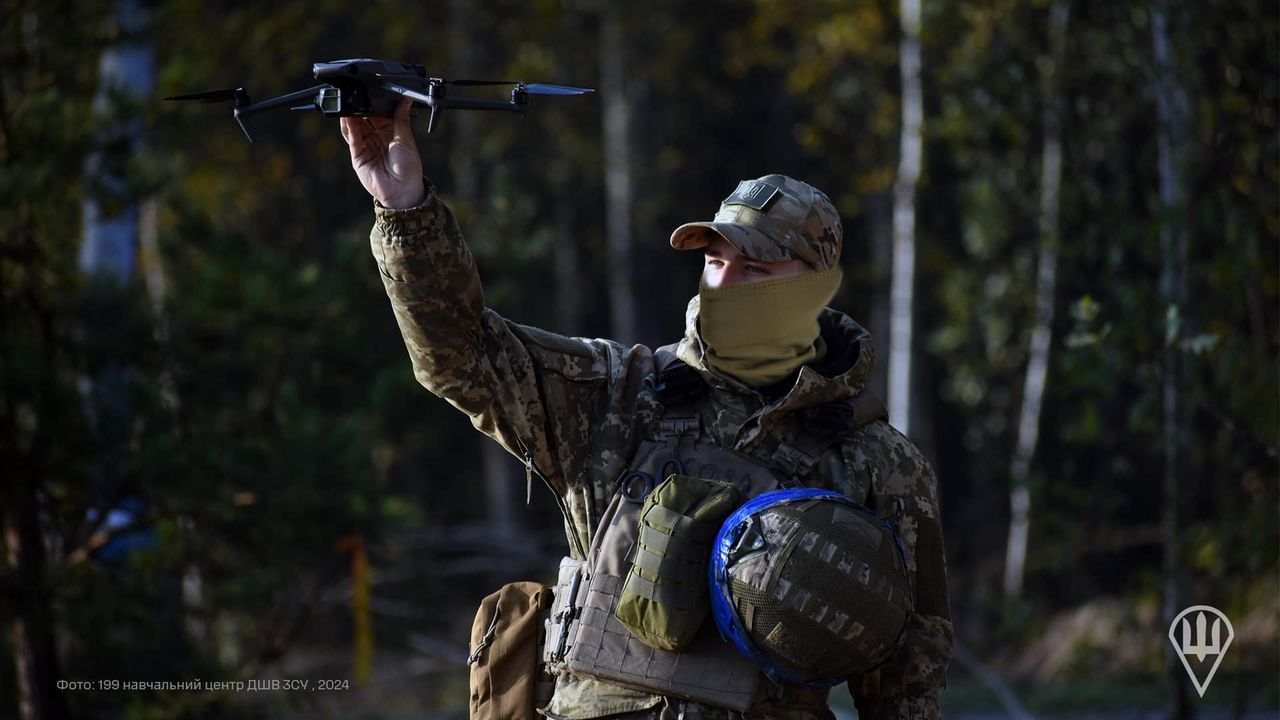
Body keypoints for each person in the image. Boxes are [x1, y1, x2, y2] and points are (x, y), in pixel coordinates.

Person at [340, 101, 952, 719]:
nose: (723, 285)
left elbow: (907, 680)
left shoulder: (878, 461)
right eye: (714, 263)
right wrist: (405, 208)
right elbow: (460, 356)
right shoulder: (618, 395)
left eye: (755, 268)